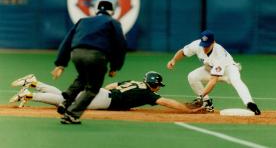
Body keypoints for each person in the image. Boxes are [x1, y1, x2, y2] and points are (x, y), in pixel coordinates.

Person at [9, 72, 204, 124]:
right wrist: (187, 110)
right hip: (105, 101)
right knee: (65, 102)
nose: (156, 88)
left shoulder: (135, 82)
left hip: (104, 92)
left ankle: (35, 83)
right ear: (154, 84)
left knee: (63, 95)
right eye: (157, 85)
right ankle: (30, 94)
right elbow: (166, 102)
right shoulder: (147, 93)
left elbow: (112, 85)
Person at [51, 0, 127, 124]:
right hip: (96, 55)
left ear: (97, 10)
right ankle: (71, 114)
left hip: (76, 53)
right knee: (92, 88)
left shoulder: (83, 21)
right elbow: (120, 45)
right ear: (112, 11)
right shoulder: (113, 22)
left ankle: (65, 102)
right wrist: (115, 66)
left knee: (82, 78)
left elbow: (67, 41)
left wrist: (61, 64)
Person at [166, 30, 261, 115]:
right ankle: (207, 103)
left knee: (236, 80)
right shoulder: (197, 44)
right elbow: (182, 52)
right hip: (210, 69)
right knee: (192, 76)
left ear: (213, 42)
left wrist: (200, 96)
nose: (205, 48)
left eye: (207, 45)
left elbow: (213, 81)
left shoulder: (219, 54)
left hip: (228, 70)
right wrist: (173, 60)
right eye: (203, 44)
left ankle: (250, 103)